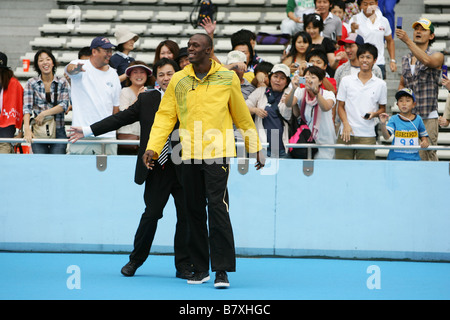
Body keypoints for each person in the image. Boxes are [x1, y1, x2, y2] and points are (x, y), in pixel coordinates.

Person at [142, 33, 265, 289]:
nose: (190, 49)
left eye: (195, 46)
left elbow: (242, 116)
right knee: (193, 210)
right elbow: (165, 116)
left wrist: (256, 147)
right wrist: (152, 147)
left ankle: (221, 270)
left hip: (217, 152)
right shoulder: (179, 79)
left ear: (209, 50)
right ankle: (200, 269)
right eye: (189, 46)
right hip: (186, 153)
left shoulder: (227, 77)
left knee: (217, 208)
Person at [68, 58, 192, 279]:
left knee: (186, 217)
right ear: (156, 76)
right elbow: (120, 118)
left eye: (170, 73)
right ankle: (135, 260)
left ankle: (183, 265)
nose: (166, 78)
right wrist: (88, 130)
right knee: (151, 215)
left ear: (178, 74)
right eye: (162, 74)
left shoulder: (189, 98)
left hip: (184, 167)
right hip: (155, 166)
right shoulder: (147, 99)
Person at [396, 18, 444, 161]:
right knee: (408, 155)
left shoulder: (437, 55)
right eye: (416, 28)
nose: (418, 31)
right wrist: (401, 103)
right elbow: (402, 83)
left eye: (423, 29)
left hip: (427, 117)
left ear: (431, 36)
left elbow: (428, 61)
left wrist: (407, 41)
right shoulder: (405, 58)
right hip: (408, 117)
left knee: (427, 156)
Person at [65, 36, 121, 155]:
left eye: (110, 51)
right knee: (79, 172)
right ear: (94, 51)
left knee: (109, 172)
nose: (109, 54)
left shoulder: (113, 74)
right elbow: (70, 70)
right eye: (106, 51)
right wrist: (75, 69)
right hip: (80, 133)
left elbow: (115, 108)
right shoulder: (81, 65)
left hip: (107, 136)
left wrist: (110, 129)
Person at [335, 43, 387, 160]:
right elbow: (340, 106)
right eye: (362, 57)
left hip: (367, 136)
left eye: (368, 57)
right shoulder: (346, 81)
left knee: (366, 172)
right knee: (342, 170)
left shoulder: (381, 84)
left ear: (375, 60)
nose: (364, 60)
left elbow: (383, 108)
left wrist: (374, 114)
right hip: (346, 133)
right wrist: (346, 125)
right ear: (358, 59)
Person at [23, 49, 70, 154]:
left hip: (58, 130)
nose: (45, 62)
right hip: (39, 129)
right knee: (40, 164)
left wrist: (44, 113)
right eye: (41, 60)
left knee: (57, 163)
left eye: (48, 59)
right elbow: (27, 108)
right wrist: (27, 129)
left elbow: (64, 105)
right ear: (37, 65)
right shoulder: (31, 83)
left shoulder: (62, 81)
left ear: (53, 63)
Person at [284, 65, 336, 159]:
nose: (309, 80)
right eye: (307, 77)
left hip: (324, 140)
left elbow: (325, 107)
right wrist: (293, 89)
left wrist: (316, 93)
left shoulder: (328, 94)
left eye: (313, 77)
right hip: (305, 139)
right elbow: (288, 104)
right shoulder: (300, 91)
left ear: (320, 81)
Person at [246, 64, 292, 158]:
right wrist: (254, 110)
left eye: (282, 78)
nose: (278, 80)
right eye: (275, 76)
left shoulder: (290, 93)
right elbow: (243, 108)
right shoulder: (260, 91)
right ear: (270, 78)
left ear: (287, 82)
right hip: (263, 148)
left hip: (283, 147)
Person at [351, 0, 397, 79]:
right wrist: (352, 31)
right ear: (360, 6)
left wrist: (392, 60)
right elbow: (350, 41)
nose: (369, 7)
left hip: (379, 63)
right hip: (361, 63)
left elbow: (389, 41)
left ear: (376, 4)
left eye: (371, 4)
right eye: (365, 4)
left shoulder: (383, 20)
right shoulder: (355, 19)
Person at [379, 88, 429, 161]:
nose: (404, 103)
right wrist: (383, 123)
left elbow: (423, 136)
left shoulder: (418, 119)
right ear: (397, 104)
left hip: (414, 159)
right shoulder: (394, 119)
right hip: (396, 158)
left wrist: (425, 142)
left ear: (414, 104)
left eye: (408, 101)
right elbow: (386, 137)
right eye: (401, 101)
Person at [117, 61, 153, 155]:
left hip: (145, 139)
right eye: (135, 72)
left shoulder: (151, 92)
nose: (139, 75)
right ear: (129, 75)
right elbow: (125, 113)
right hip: (127, 139)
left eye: (142, 72)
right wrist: (138, 98)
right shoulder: (124, 91)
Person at [0, 52, 23, 154]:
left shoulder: (14, 84)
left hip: (5, 132)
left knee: (4, 159)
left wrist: (20, 132)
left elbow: (22, 108)